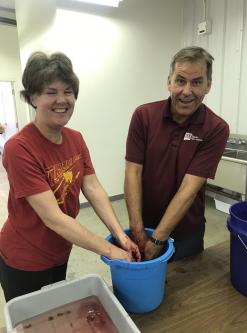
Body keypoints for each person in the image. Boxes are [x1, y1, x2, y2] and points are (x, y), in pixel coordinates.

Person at [0, 51, 140, 302]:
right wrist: (110, 250)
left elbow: (93, 188)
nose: (62, 99)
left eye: (68, 91)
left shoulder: (75, 138)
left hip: (61, 248)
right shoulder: (19, 148)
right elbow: (53, 218)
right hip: (25, 257)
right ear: (32, 97)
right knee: (33, 322)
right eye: (50, 92)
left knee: (56, 312)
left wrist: (120, 235)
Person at [125, 46, 229, 261]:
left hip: (186, 235)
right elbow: (132, 172)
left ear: (208, 85)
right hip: (143, 228)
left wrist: (158, 240)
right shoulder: (144, 116)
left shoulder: (216, 128)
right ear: (169, 81)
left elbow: (188, 190)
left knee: (186, 291)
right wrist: (137, 228)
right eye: (180, 80)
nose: (187, 91)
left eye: (197, 82)